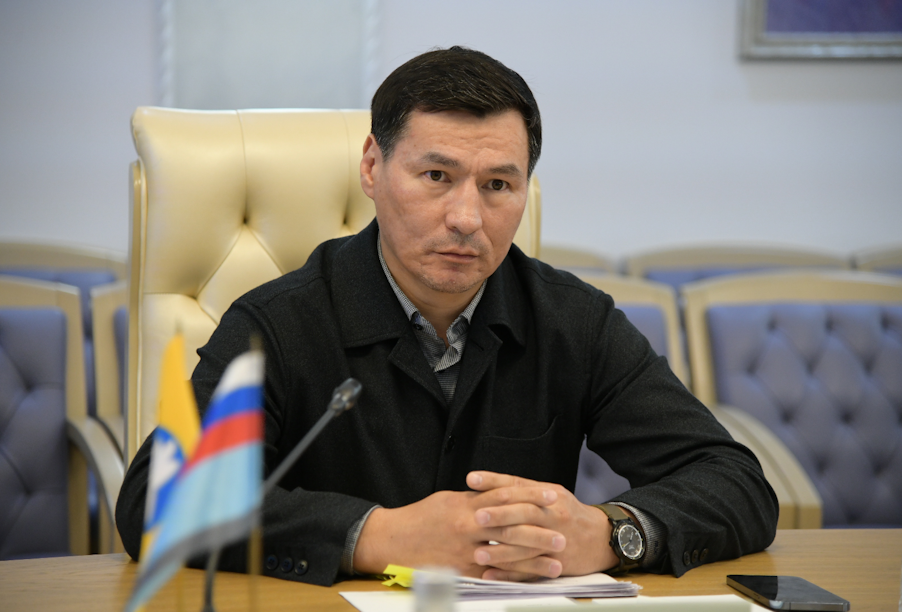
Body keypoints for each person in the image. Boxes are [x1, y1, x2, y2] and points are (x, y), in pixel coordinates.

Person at [117, 46, 778, 587]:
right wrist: (375, 534)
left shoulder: (575, 321)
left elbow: (737, 484)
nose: (466, 218)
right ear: (372, 168)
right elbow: (159, 498)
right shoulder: (279, 324)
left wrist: (613, 533)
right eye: (436, 176)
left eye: (497, 185)